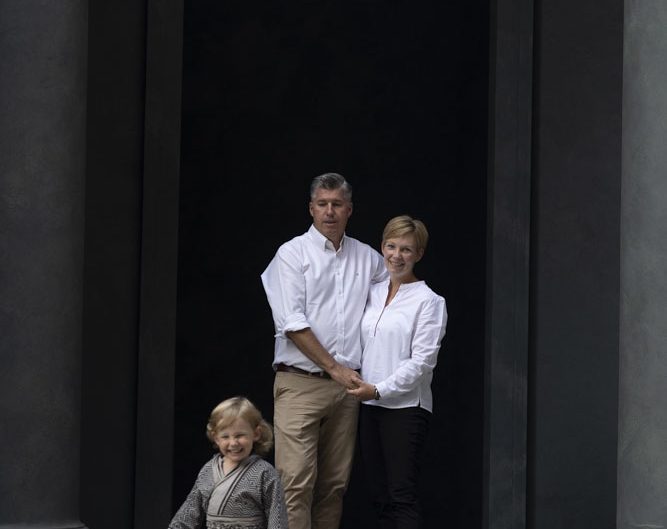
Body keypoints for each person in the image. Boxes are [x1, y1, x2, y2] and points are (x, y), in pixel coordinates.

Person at [260, 172, 388, 529]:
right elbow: (292, 322)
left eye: (336, 204)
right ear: (311, 209)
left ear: (349, 210)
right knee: (294, 484)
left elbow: (390, 311)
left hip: (347, 390)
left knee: (333, 486)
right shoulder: (292, 254)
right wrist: (335, 369)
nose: (329, 211)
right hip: (300, 384)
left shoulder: (369, 258)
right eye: (322, 204)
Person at [347, 215, 448, 529]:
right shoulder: (372, 292)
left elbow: (422, 363)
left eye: (406, 249)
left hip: (405, 409)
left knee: (400, 495)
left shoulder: (429, 301)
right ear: (382, 247)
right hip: (370, 406)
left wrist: (378, 390)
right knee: (379, 496)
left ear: (419, 254)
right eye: (391, 246)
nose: (397, 255)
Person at [168, 396, 288, 529]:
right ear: (216, 438)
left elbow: (277, 518)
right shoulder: (208, 470)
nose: (233, 443)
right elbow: (188, 513)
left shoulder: (265, 473)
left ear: (256, 434)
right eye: (225, 436)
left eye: (239, 435)